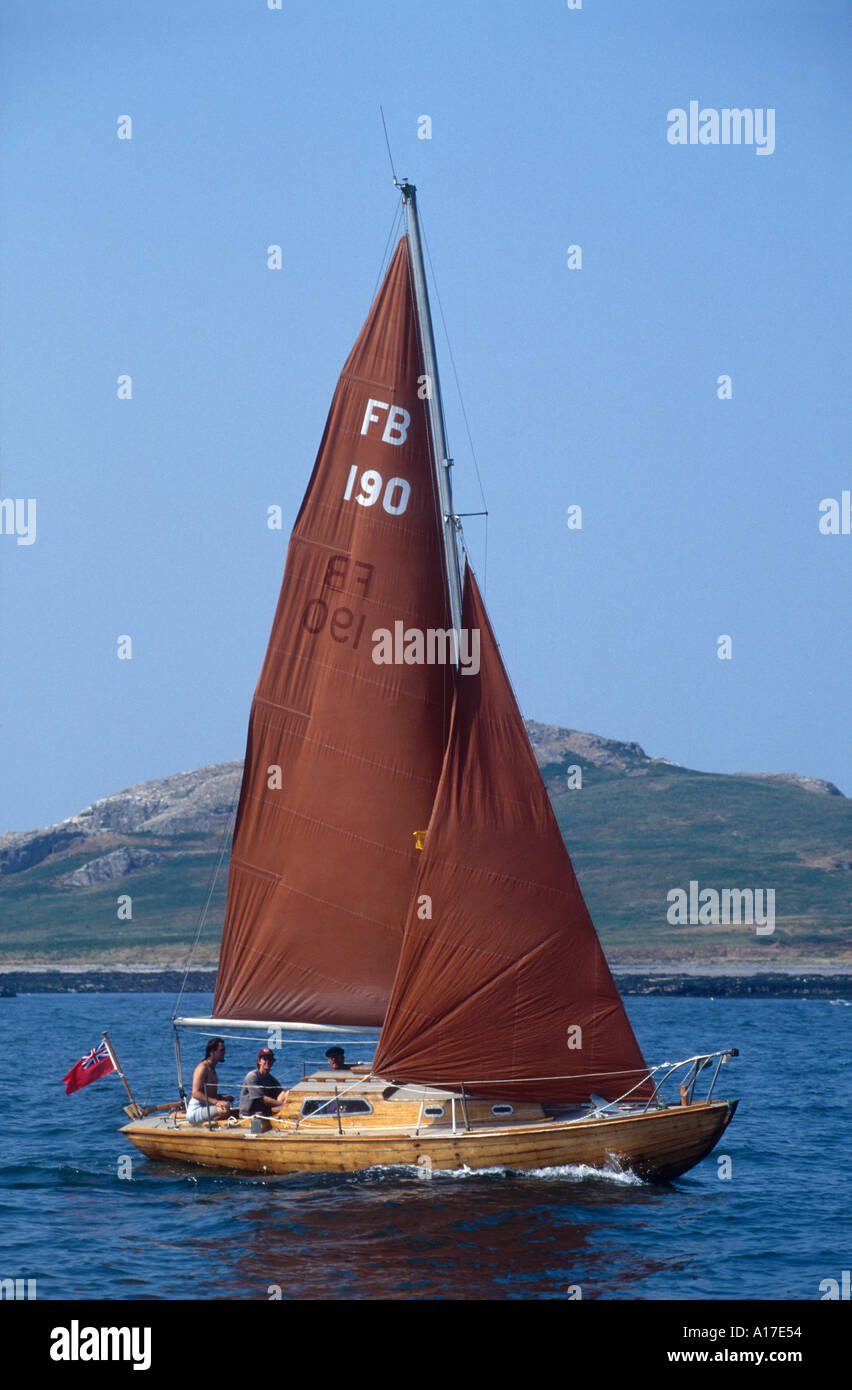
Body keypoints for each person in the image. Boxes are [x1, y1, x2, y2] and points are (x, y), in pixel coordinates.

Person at [185, 1038, 234, 1124]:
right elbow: (195, 1093)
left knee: (229, 1107)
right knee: (224, 1109)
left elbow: (209, 1094)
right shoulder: (202, 1068)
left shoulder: (212, 1068)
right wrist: (217, 1102)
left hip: (206, 1106)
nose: (224, 1052)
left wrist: (223, 1098)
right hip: (196, 1109)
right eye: (221, 1050)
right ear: (212, 1052)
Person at [239, 1048, 289, 1117]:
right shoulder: (252, 1076)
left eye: (270, 1059)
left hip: (264, 1112)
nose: (268, 1061)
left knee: (287, 1092)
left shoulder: (271, 1079)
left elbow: (280, 1092)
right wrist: (281, 1104)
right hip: (249, 1114)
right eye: (265, 1059)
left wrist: (287, 1095)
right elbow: (261, 1099)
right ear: (259, 1061)